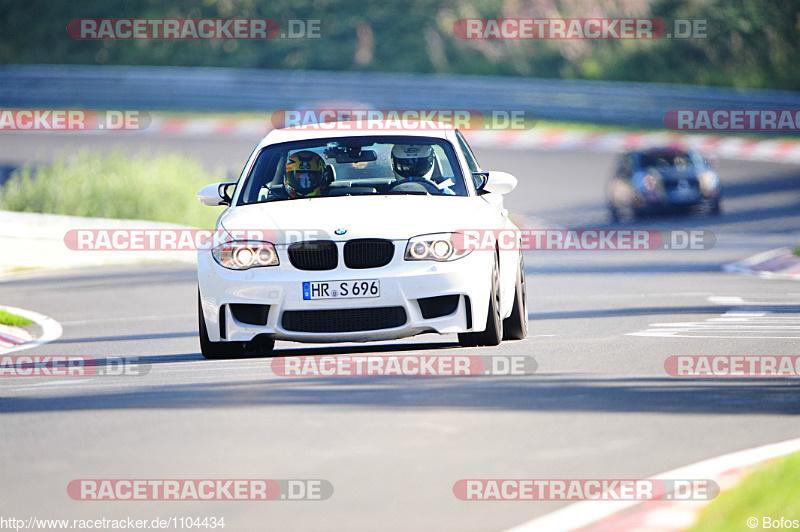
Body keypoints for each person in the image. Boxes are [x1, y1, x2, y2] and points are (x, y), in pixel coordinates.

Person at [391, 144, 455, 194]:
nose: (414, 173)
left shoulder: (445, 192)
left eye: (419, 166)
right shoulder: (444, 194)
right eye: (406, 167)